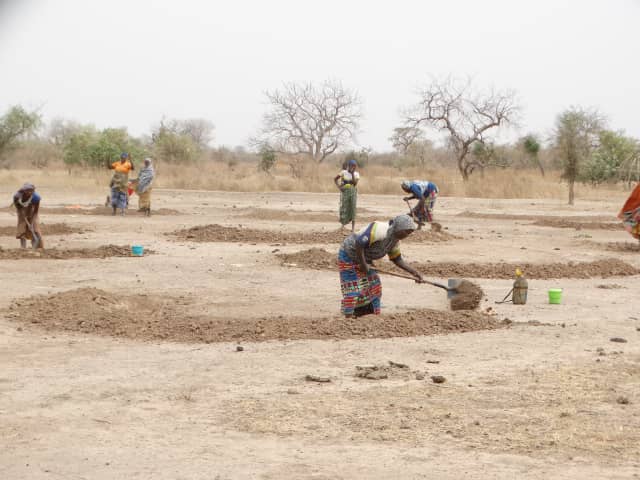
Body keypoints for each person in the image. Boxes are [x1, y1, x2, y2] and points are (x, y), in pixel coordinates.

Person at [338, 214, 424, 318]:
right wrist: (363, 264)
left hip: (365, 259)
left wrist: (414, 272)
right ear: (399, 227)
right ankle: (348, 316)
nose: (407, 235)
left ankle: (369, 314)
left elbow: (397, 259)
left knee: (375, 284)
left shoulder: (394, 240)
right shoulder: (380, 229)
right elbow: (359, 243)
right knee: (353, 286)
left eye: (409, 233)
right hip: (349, 254)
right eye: (406, 231)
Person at [13, 182, 43, 249]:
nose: (29, 192)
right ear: (24, 191)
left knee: (35, 228)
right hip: (21, 210)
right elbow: (19, 208)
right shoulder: (17, 196)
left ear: (33, 191)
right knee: (22, 227)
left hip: (32, 211)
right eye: (27, 190)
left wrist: (31, 223)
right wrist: (24, 218)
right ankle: (23, 248)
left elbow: (35, 212)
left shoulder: (36, 198)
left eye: (31, 190)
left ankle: (38, 247)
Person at [334, 159, 360, 232]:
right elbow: (335, 179)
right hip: (345, 192)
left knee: (352, 208)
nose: (353, 168)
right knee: (344, 207)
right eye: (352, 166)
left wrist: (352, 174)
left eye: (355, 166)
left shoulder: (356, 174)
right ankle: (342, 226)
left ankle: (353, 228)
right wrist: (339, 187)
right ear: (349, 166)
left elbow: (355, 184)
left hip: (353, 192)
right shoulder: (343, 172)